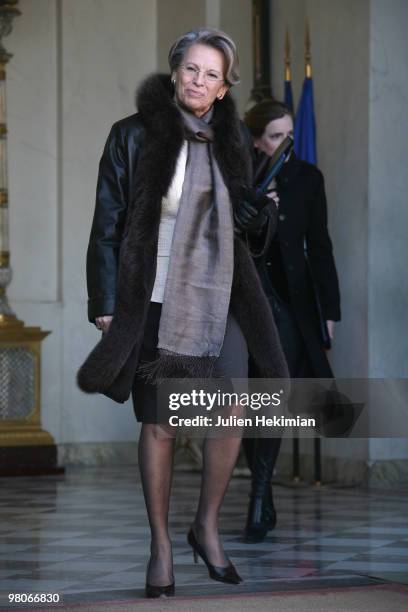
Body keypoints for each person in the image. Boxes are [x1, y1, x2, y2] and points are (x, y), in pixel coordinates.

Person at [77, 30, 288, 598]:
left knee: (230, 414)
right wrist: (105, 304)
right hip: (151, 295)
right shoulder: (131, 135)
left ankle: (206, 526)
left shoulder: (235, 142)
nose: (199, 81)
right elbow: (107, 224)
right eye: (191, 69)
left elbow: (258, 239)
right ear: (175, 73)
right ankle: (162, 545)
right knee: (162, 422)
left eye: (212, 74)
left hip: (222, 296)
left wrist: (257, 216)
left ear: (224, 88)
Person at [241, 99, 341, 542]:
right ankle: (261, 490)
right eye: (276, 136)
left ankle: (260, 494)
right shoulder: (237, 177)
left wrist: (330, 311)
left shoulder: (306, 178)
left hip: (289, 306)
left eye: (289, 134)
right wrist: (257, 206)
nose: (286, 144)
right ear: (256, 139)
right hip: (241, 303)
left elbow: (319, 247)